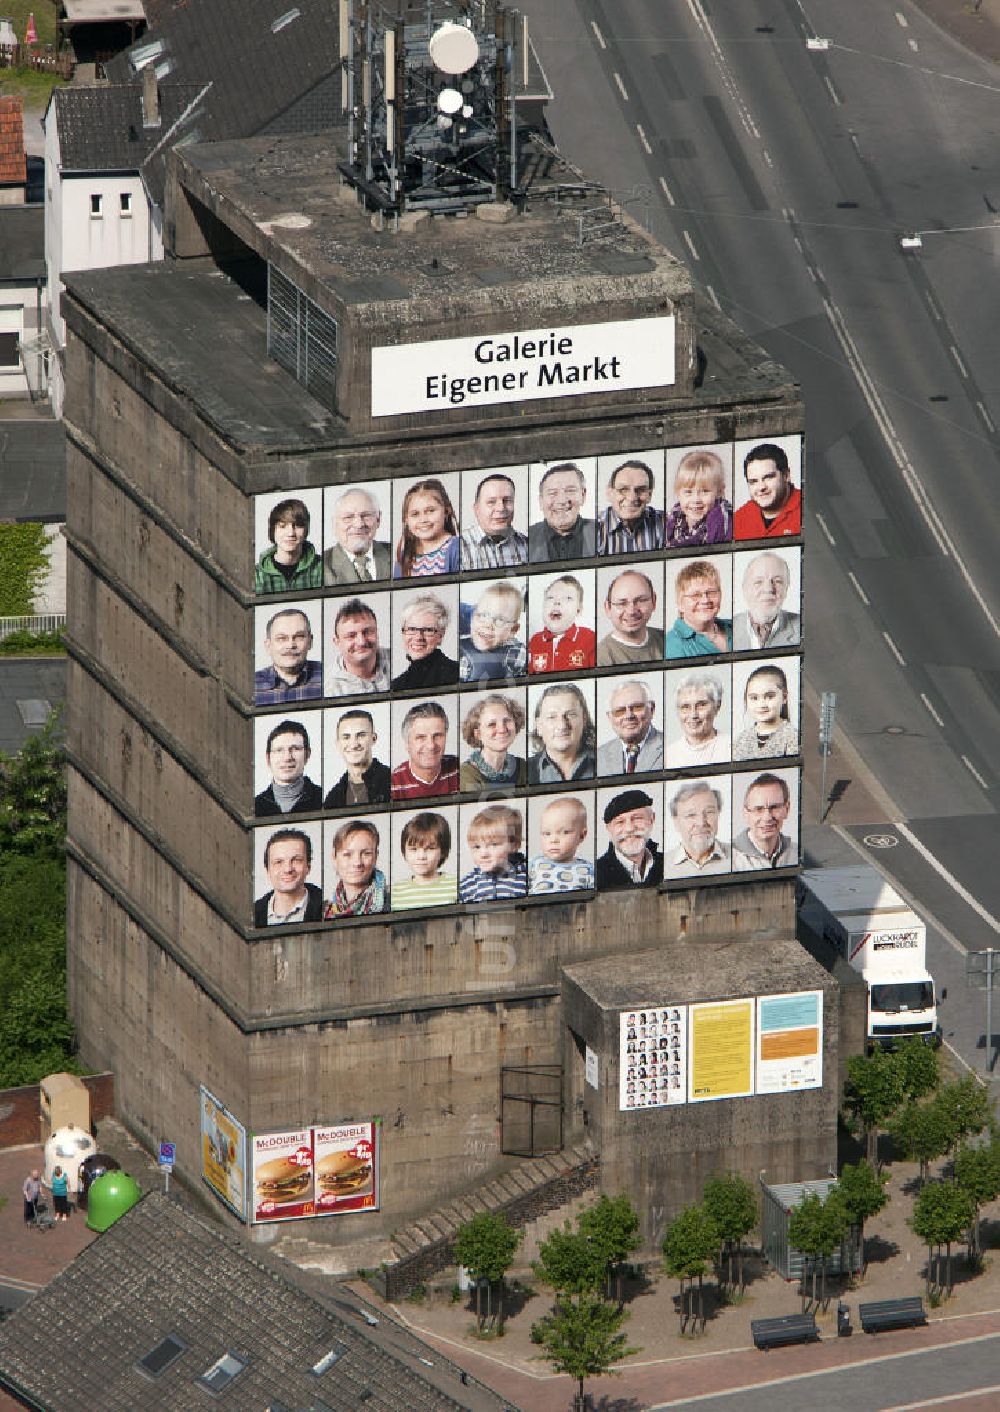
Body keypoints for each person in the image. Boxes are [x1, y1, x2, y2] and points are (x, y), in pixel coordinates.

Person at [527, 683, 596, 784]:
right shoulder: (521, 772)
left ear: (584, 720)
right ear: (539, 726)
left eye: (571, 715)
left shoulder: (606, 762)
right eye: (552, 717)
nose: (562, 725)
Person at [595, 788, 663, 889]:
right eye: (620, 822)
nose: (629, 829)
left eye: (637, 818)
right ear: (609, 828)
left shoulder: (668, 865)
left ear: (651, 819)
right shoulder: (595, 875)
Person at [254, 827, 323, 925]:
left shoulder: (329, 908)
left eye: (296, 860)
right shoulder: (252, 914)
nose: (288, 869)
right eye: (278, 862)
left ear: (308, 866)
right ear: (267, 870)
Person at [528, 462, 596, 561]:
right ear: (541, 500)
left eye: (570, 491)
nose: (562, 500)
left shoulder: (601, 532)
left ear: (583, 496)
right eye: (552, 493)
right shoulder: (525, 539)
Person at [323, 709, 392, 808]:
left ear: (374, 739)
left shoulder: (392, 782)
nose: (354, 744)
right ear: (338, 744)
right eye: (346, 737)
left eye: (361, 735)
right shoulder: (333, 798)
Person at [663, 780, 732, 878]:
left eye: (709, 812)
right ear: (676, 822)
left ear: (718, 814)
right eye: (691, 815)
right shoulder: (662, 866)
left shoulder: (739, 858)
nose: (701, 823)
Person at [459, 582, 526, 682]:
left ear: (513, 630)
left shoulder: (517, 653)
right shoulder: (459, 647)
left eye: (499, 620)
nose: (488, 625)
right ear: (471, 617)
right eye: (482, 615)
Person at [393, 478, 461, 577]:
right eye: (415, 514)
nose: (423, 520)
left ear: (446, 511)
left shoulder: (457, 547)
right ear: (406, 520)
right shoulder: (405, 556)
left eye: (430, 510)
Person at [732, 551, 800, 651]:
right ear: (745, 589)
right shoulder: (727, 629)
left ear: (786, 588)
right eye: (758, 581)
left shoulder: (803, 628)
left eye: (778, 581)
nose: (768, 589)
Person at [459, 804, 527, 902]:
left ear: (514, 844)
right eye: (477, 847)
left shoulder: (527, 876)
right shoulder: (467, 884)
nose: (483, 854)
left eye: (493, 845)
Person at [665, 449, 733, 548]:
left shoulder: (723, 523)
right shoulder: (673, 519)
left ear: (719, 491)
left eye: (705, 491)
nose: (696, 499)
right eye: (688, 492)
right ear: (678, 492)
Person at [391, 701, 459, 800]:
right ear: (407, 744)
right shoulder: (393, 785)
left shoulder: (459, 769)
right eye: (421, 737)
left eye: (437, 736)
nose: (431, 745)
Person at [664, 560, 732, 658]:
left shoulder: (735, 626)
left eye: (711, 592)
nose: (705, 600)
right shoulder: (672, 644)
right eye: (696, 595)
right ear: (680, 603)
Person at [528, 574, 595, 674]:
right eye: (550, 597)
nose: (556, 602)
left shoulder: (589, 638)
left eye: (568, 598)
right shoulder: (534, 641)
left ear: (578, 610)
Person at [254, 608, 322, 705]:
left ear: (310, 642)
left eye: (299, 637)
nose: (290, 645)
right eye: (281, 638)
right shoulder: (251, 686)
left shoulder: (328, 677)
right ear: (268, 646)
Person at [254, 719, 323, 817]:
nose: (287, 757)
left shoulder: (324, 799)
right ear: (268, 758)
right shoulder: (255, 807)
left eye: (295, 749)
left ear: (307, 755)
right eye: (279, 750)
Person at [733, 442, 801, 540]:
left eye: (768, 477)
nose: (761, 487)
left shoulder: (808, 509)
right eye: (753, 481)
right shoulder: (738, 519)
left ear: (786, 475)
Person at [391, 592, 458, 691]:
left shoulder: (455, 675)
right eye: (412, 629)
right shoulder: (396, 685)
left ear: (440, 635)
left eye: (428, 630)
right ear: (403, 632)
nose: (418, 637)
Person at [324, 487, 392, 584]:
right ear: (335, 524)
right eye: (348, 517)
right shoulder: (320, 566)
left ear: (378, 520)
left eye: (366, 515)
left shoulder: (397, 555)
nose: (359, 524)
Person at [460, 473, 528, 569]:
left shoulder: (527, 544)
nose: (501, 508)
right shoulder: (457, 548)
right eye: (491, 502)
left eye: (507, 500)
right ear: (476, 509)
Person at [596, 570, 664, 666]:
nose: (631, 611)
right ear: (608, 608)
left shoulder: (666, 640)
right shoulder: (600, 658)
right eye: (622, 603)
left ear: (654, 602)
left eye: (640, 600)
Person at [255, 497, 323, 594]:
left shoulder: (321, 567)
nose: (290, 533)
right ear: (272, 531)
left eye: (298, 526)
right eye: (282, 526)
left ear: (306, 530)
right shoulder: (257, 575)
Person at [460, 693, 527, 789]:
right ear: (478, 734)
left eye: (507, 721)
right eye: (492, 724)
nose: (502, 729)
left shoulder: (523, 767)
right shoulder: (466, 775)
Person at [597, 457, 664, 554]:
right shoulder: (593, 529)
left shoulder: (665, 522)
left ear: (649, 495)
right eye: (623, 489)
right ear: (609, 493)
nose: (632, 497)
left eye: (641, 490)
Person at [597, 678, 663, 775]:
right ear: (609, 717)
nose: (628, 716)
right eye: (620, 711)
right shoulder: (599, 756)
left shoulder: (669, 747)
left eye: (637, 707)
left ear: (652, 709)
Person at [324, 818, 389, 916]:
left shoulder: (393, 901)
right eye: (347, 854)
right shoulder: (324, 911)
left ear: (376, 856)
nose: (357, 863)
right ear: (334, 857)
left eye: (366, 853)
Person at [732, 664, 799, 760]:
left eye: (770, 696)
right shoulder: (740, 741)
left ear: (784, 697)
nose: (762, 704)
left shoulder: (793, 737)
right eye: (754, 698)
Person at [326, 598, 391, 695]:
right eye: (351, 636)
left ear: (377, 633)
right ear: (337, 642)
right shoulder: (328, 688)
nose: (361, 642)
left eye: (367, 632)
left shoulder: (397, 660)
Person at [529, 796, 594, 893]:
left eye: (565, 832)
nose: (553, 840)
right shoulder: (534, 864)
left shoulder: (588, 870)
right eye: (547, 833)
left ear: (581, 835)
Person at [393, 812, 457, 910]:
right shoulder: (396, 892)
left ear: (443, 851)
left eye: (430, 848)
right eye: (414, 849)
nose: (421, 856)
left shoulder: (455, 886)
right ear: (404, 851)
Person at [665, 670, 729, 767]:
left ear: (717, 706)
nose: (693, 715)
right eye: (685, 707)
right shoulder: (668, 756)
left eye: (701, 705)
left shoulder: (731, 747)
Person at [733, 772, 796, 870]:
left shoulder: (798, 854)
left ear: (786, 809)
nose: (767, 817)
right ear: (746, 813)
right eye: (759, 809)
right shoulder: (729, 860)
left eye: (774, 807)